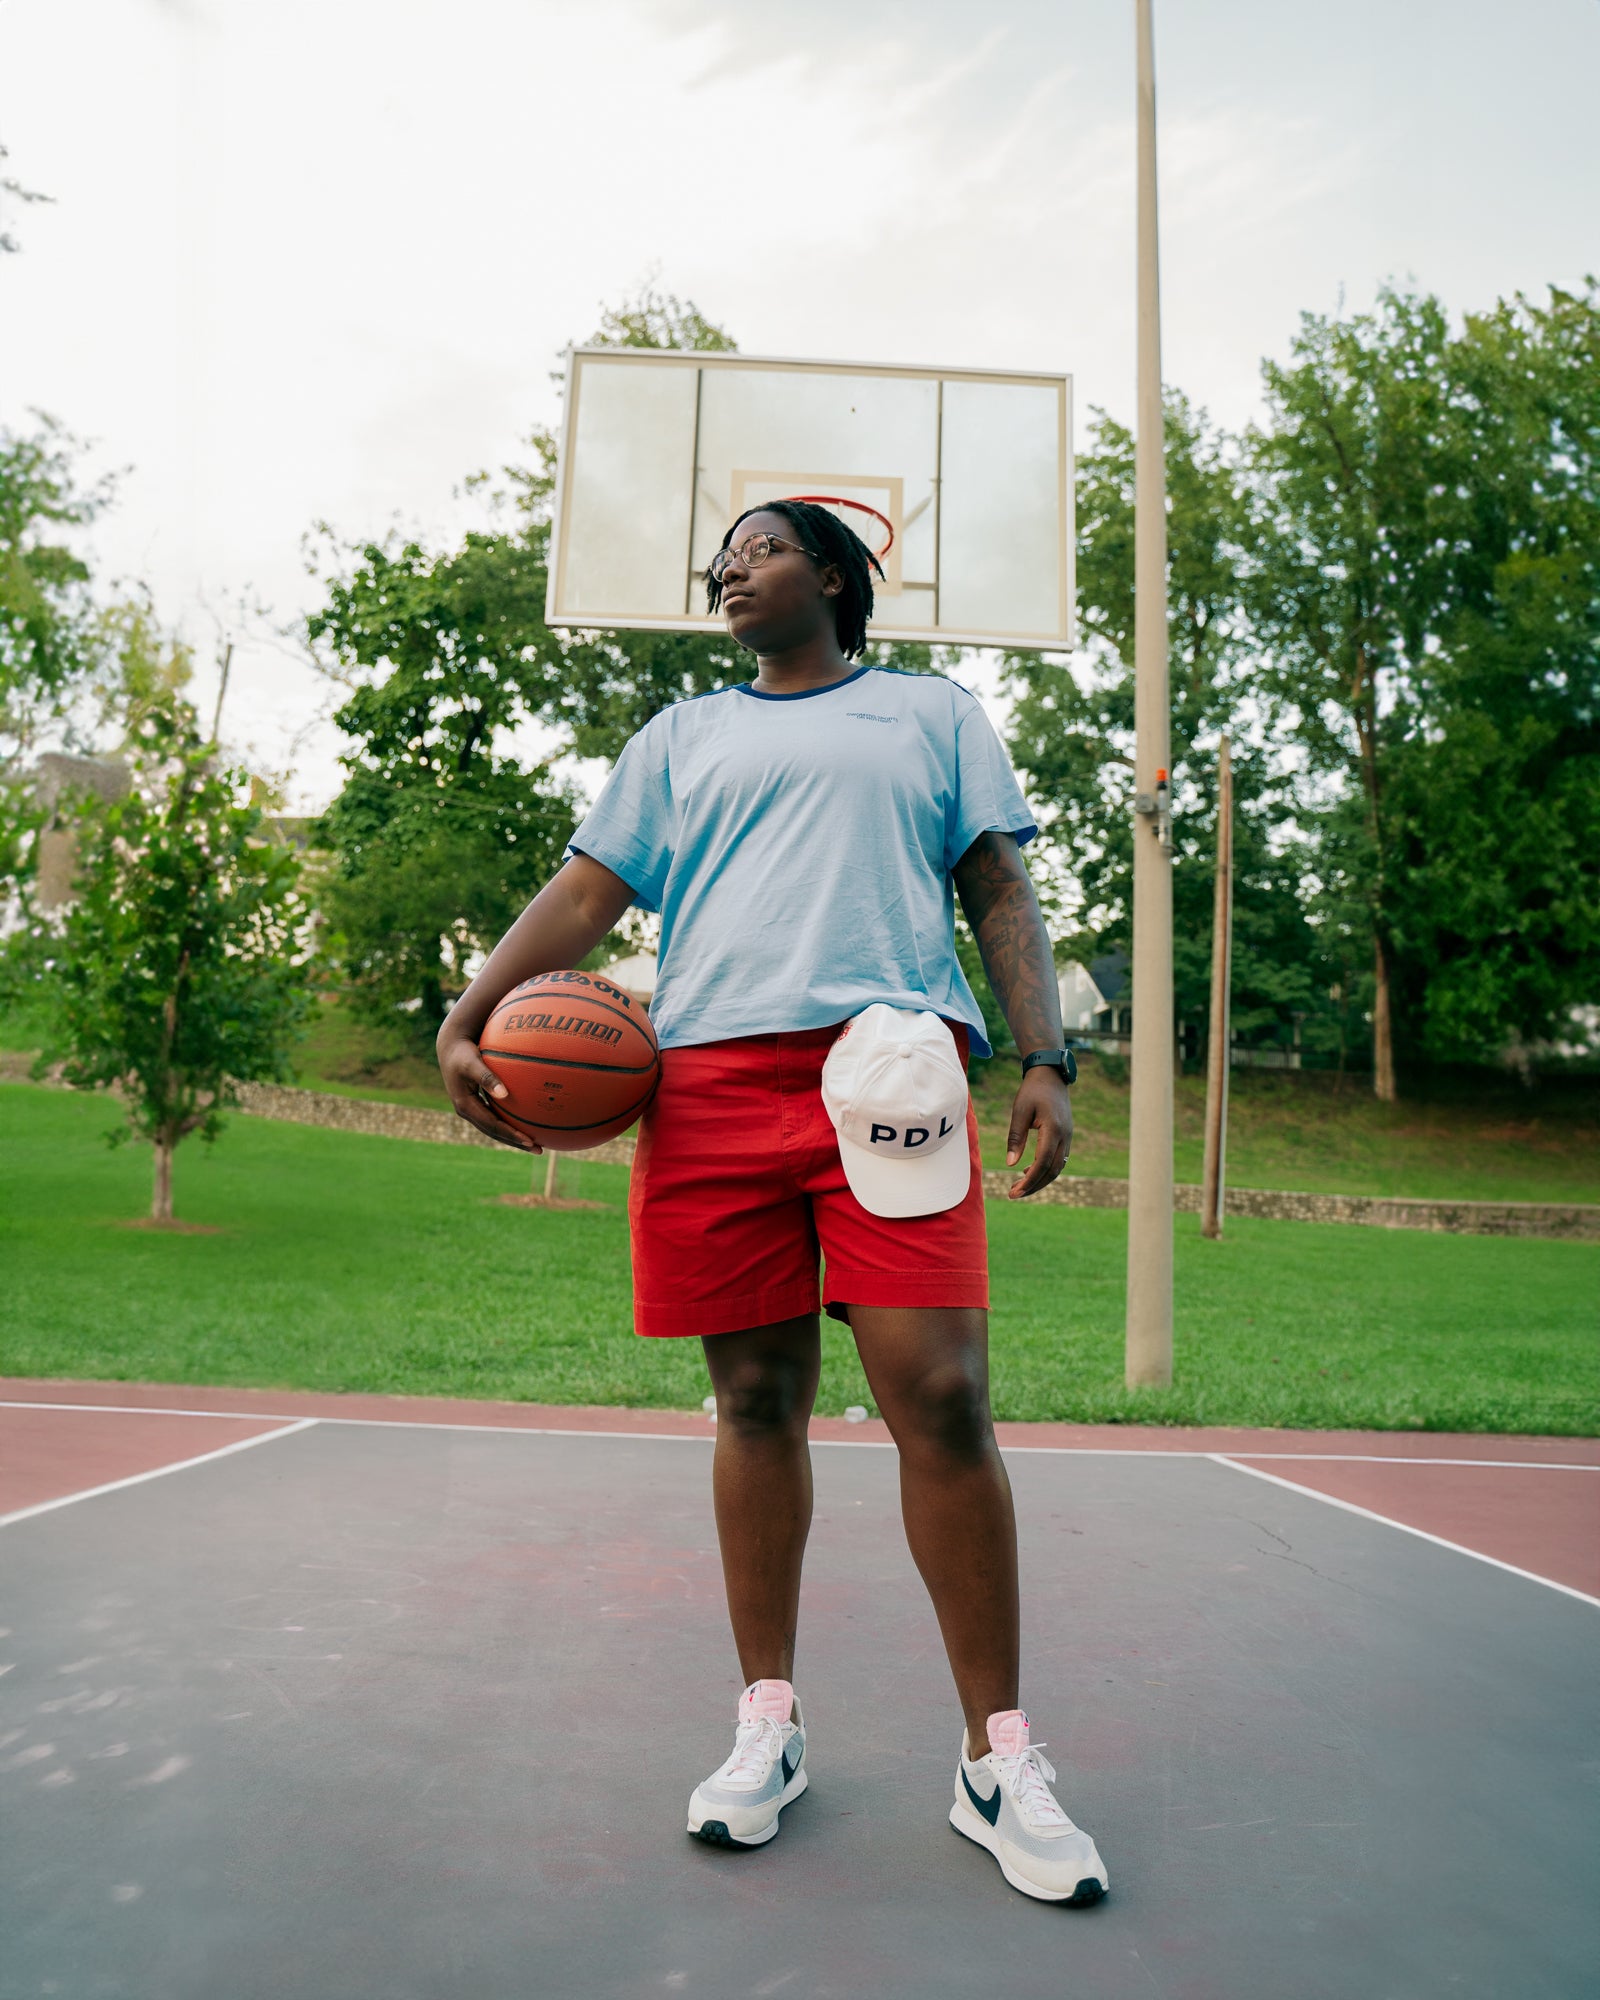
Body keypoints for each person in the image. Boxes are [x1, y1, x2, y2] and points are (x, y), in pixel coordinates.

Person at [437, 500, 1108, 1906]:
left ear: (838, 576)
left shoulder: (929, 714)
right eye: (722, 559)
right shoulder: (681, 738)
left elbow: (999, 889)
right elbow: (585, 895)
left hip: (889, 1066)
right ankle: (768, 1723)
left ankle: (1000, 1757)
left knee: (942, 1396)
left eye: (762, 546)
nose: (731, 569)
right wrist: (473, 1008)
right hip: (710, 1084)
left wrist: (1043, 1053)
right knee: (753, 1401)